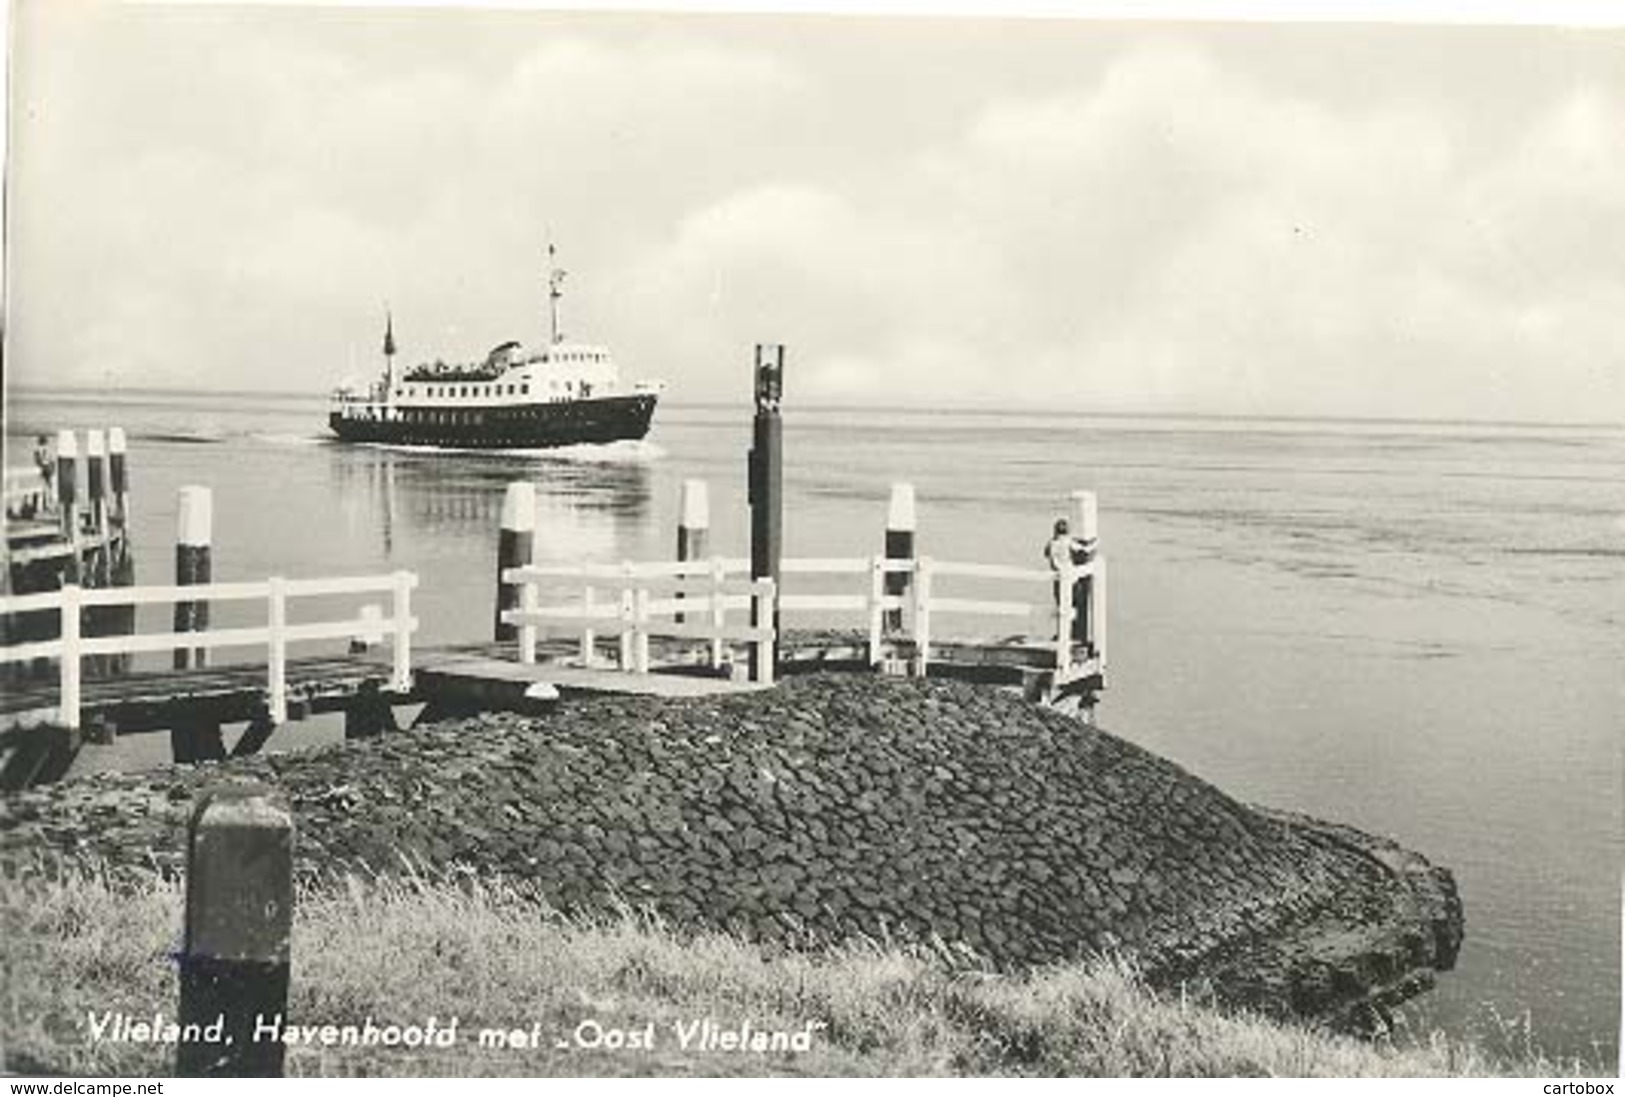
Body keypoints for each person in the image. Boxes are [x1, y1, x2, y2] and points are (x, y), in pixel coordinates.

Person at [1044, 517, 1091, 646]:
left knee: (1061, 606)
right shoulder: (1069, 541)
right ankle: (1074, 634)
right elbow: (1082, 549)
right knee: (1074, 606)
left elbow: (1046, 553)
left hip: (1058, 579)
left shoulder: (1052, 543)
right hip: (1071, 579)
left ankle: (1062, 634)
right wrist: (1090, 545)